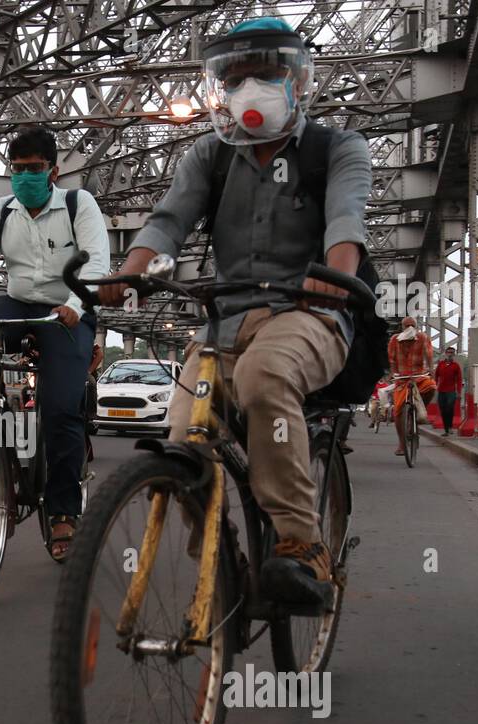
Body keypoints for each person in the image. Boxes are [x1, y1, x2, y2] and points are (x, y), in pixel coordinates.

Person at [97, 16, 371, 607]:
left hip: (309, 314)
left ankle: (302, 549)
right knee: (181, 437)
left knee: (262, 378)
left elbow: (346, 222)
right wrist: (129, 272)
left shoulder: (337, 149)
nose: (252, 89)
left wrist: (339, 278)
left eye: (266, 74)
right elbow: (168, 222)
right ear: (221, 90)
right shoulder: (208, 156)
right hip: (226, 320)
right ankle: (222, 567)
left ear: (297, 80)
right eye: (238, 78)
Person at [0, 125, 111, 561]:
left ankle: (62, 514)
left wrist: (75, 302)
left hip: (67, 312)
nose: (24, 177)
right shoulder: (1, 211)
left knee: (59, 413)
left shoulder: (78, 204)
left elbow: (96, 262)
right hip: (20, 302)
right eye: (17, 170)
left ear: (53, 171)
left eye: (33, 169)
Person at [388, 315, 435, 455]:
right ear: (402, 328)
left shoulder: (422, 337)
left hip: (418, 377)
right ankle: (402, 444)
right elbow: (392, 360)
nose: (409, 328)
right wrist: (394, 373)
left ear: (416, 327)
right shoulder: (395, 340)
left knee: (431, 387)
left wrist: (431, 370)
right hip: (402, 379)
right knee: (397, 411)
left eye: (412, 325)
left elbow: (429, 355)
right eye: (406, 325)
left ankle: (420, 409)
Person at [434, 345, 462, 436]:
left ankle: (450, 427)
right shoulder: (441, 364)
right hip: (441, 391)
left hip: (451, 391)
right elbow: (436, 375)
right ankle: (446, 429)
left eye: (452, 353)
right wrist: (434, 386)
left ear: (454, 355)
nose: (450, 354)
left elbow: (459, 379)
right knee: (443, 410)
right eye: (448, 352)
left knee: (449, 409)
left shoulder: (456, 366)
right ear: (445, 354)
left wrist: (459, 392)